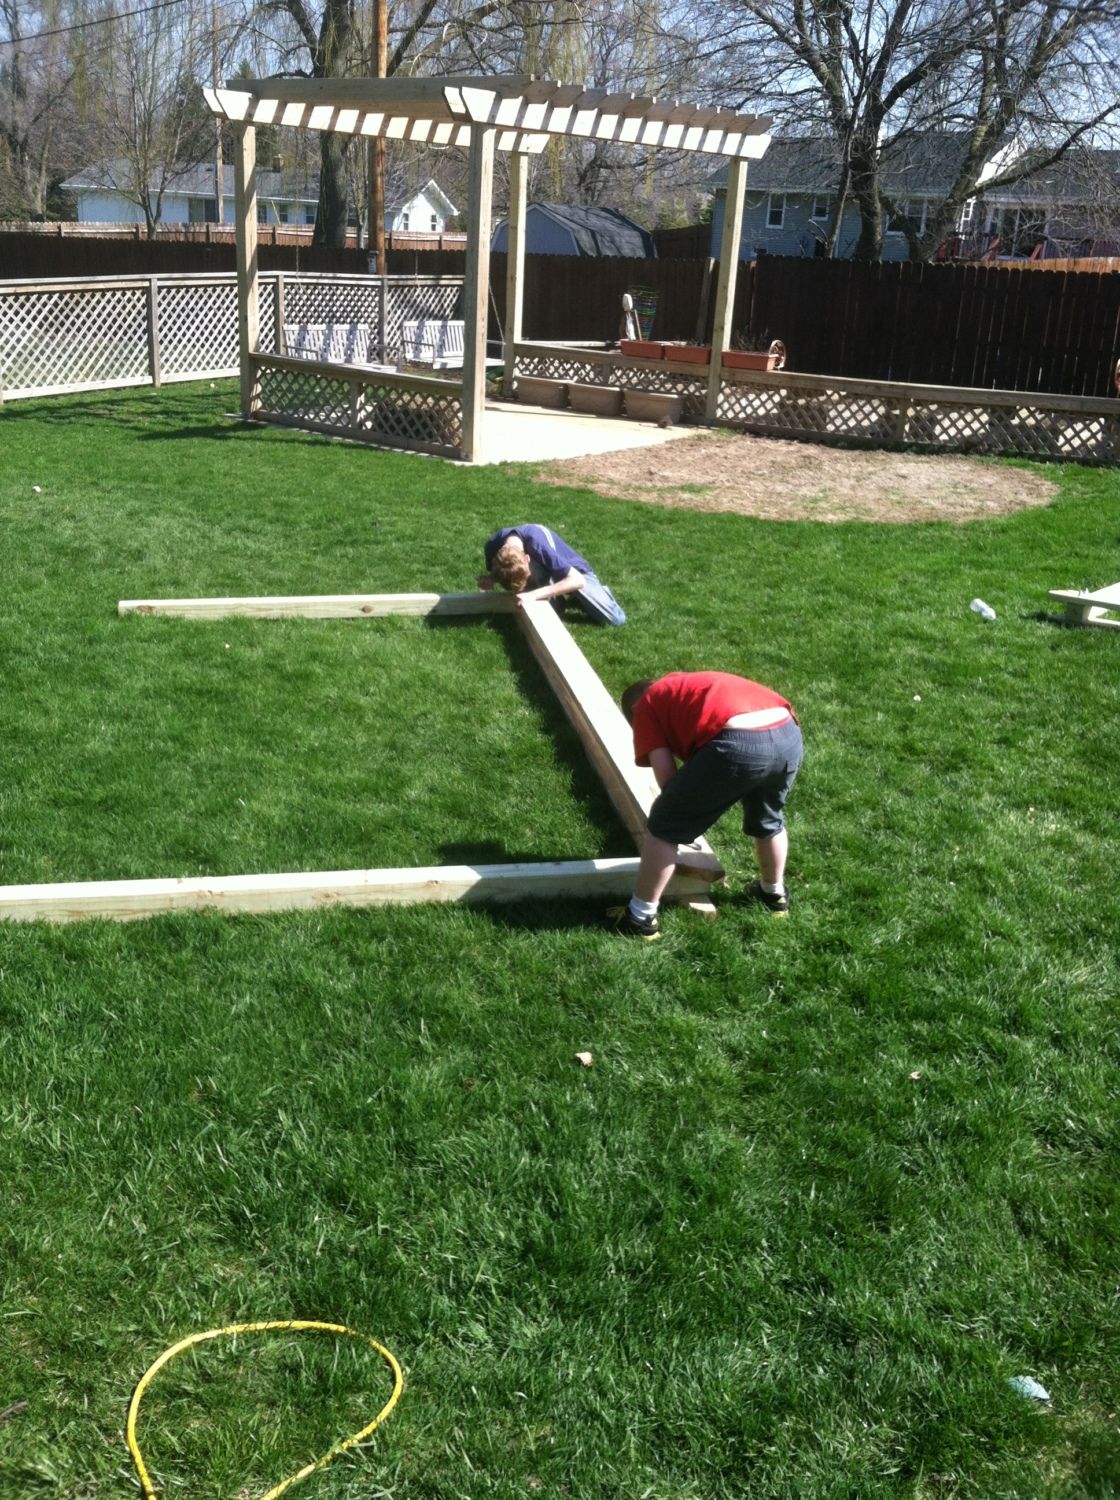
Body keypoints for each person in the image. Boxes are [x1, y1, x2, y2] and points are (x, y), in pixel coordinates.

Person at [609, 671, 803, 939]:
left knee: (665, 824)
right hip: (787, 733)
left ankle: (640, 917)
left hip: (739, 742)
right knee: (769, 819)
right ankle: (773, 894)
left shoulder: (644, 705)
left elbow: (667, 778)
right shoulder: (684, 687)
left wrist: (682, 812)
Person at [478, 524, 626, 625]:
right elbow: (504, 568)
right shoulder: (492, 547)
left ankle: (596, 593)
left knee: (615, 619)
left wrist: (533, 595)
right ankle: (562, 600)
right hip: (547, 574)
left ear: (527, 558)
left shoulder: (537, 544)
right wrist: (491, 579)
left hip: (575, 574)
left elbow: (577, 580)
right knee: (555, 610)